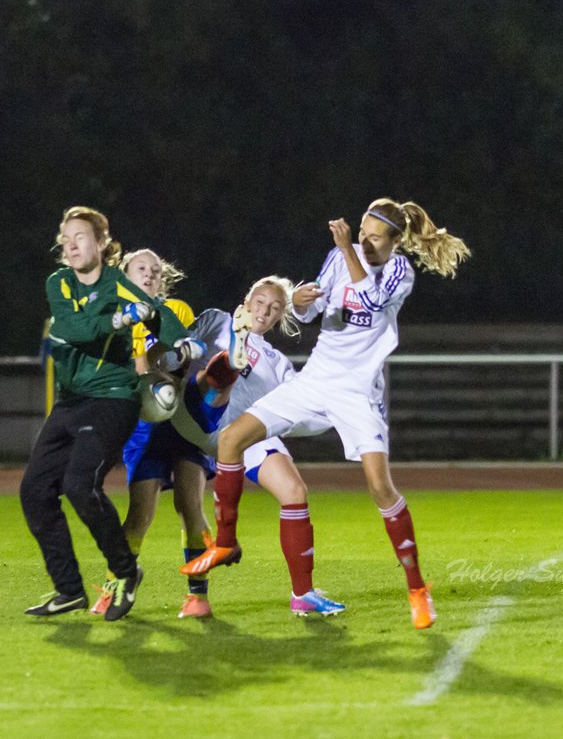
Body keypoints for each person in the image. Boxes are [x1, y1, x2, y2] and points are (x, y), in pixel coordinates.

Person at [181, 199, 470, 629]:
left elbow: (370, 301)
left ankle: (416, 588)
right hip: (315, 379)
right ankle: (225, 543)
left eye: (375, 238)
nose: (365, 243)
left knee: (379, 486)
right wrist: (298, 302)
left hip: (357, 392)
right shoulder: (340, 255)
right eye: (363, 234)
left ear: (395, 241)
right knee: (231, 439)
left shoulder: (398, 272)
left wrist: (349, 251)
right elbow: (312, 311)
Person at [19, 208, 189, 621]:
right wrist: (118, 319)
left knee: (79, 485)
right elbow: (73, 328)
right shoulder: (57, 282)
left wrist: (182, 346)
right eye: (66, 237)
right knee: (34, 491)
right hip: (70, 400)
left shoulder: (119, 283)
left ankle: (126, 574)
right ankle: (68, 590)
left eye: (81, 236)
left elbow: (162, 317)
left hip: (113, 399)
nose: (71, 244)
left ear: (101, 244)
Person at [172, 276, 347, 617]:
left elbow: (301, 413)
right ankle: (223, 373)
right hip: (198, 416)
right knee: (217, 378)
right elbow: (177, 345)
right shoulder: (217, 320)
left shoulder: (277, 363)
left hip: (244, 434)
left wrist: (339, 415)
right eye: (261, 303)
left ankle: (303, 594)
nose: (265, 312)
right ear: (247, 301)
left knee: (295, 491)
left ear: (281, 317)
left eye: (275, 309)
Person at [90, 249, 215, 619]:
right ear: (124, 275)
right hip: (145, 425)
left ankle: (198, 596)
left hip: (183, 416)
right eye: (140, 269)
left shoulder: (175, 310)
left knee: (190, 506)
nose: (149, 275)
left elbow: (175, 363)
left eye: (155, 271)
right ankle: (117, 586)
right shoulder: (115, 320)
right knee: (140, 515)